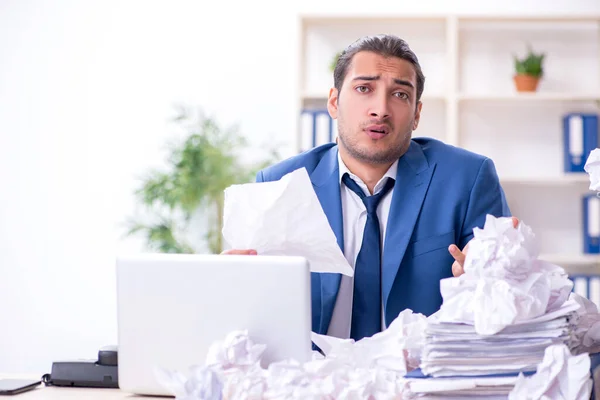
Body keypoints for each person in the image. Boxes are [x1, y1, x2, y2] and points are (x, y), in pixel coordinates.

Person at [224, 34, 514, 341]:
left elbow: (507, 298)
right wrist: (236, 286)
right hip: (314, 378)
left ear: (416, 114)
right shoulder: (278, 186)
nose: (380, 109)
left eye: (400, 95)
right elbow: (254, 318)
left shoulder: (467, 179)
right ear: (334, 102)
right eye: (364, 89)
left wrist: (494, 273)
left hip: (421, 377)